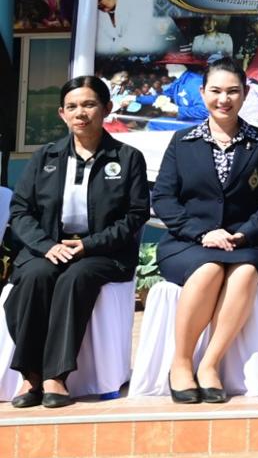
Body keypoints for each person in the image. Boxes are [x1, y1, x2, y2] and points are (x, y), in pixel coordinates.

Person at [4, 76, 150, 409]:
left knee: (75, 278)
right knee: (35, 276)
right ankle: (30, 374)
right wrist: (46, 246)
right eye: (71, 107)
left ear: (107, 108)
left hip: (102, 252)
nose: (80, 113)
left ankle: (56, 376)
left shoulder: (128, 158)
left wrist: (89, 245)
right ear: (62, 113)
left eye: (89, 104)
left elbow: (135, 215)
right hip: (49, 248)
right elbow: (21, 211)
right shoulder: (46, 156)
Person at [151, 58, 258, 404]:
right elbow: (163, 198)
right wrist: (201, 233)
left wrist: (246, 233)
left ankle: (210, 363)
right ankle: (181, 363)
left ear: (245, 94)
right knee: (208, 269)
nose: (224, 99)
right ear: (202, 93)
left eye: (233, 91)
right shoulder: (183, 141)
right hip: (188, 242)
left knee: (245, 273)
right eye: (216, 91)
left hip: (246, 241)